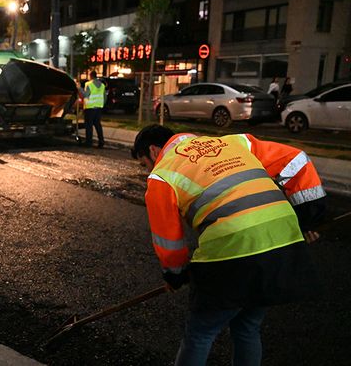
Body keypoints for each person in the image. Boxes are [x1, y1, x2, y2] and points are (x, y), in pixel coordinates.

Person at [131, 124, 326, 365]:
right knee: (247, 328)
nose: (147, 171)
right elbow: (297, 160)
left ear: (152, 151)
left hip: (231, 256)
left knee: (200, 334)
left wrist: (175, 275)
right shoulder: (236, 142)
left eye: (144, 164)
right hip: (281, 244)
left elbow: (168, 240)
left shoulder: (162, 173)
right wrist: (308, 220)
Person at [82, 71, 106, 148]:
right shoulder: (102, 85)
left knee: (89, 126)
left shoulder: (88, 84)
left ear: (90, 76)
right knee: (98, 125)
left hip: (90, 108)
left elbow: (85, 95)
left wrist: (79, 88)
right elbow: (105, 97)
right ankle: (101, 141)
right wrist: (101, 105)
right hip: (98, 108)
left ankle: (89, 142)